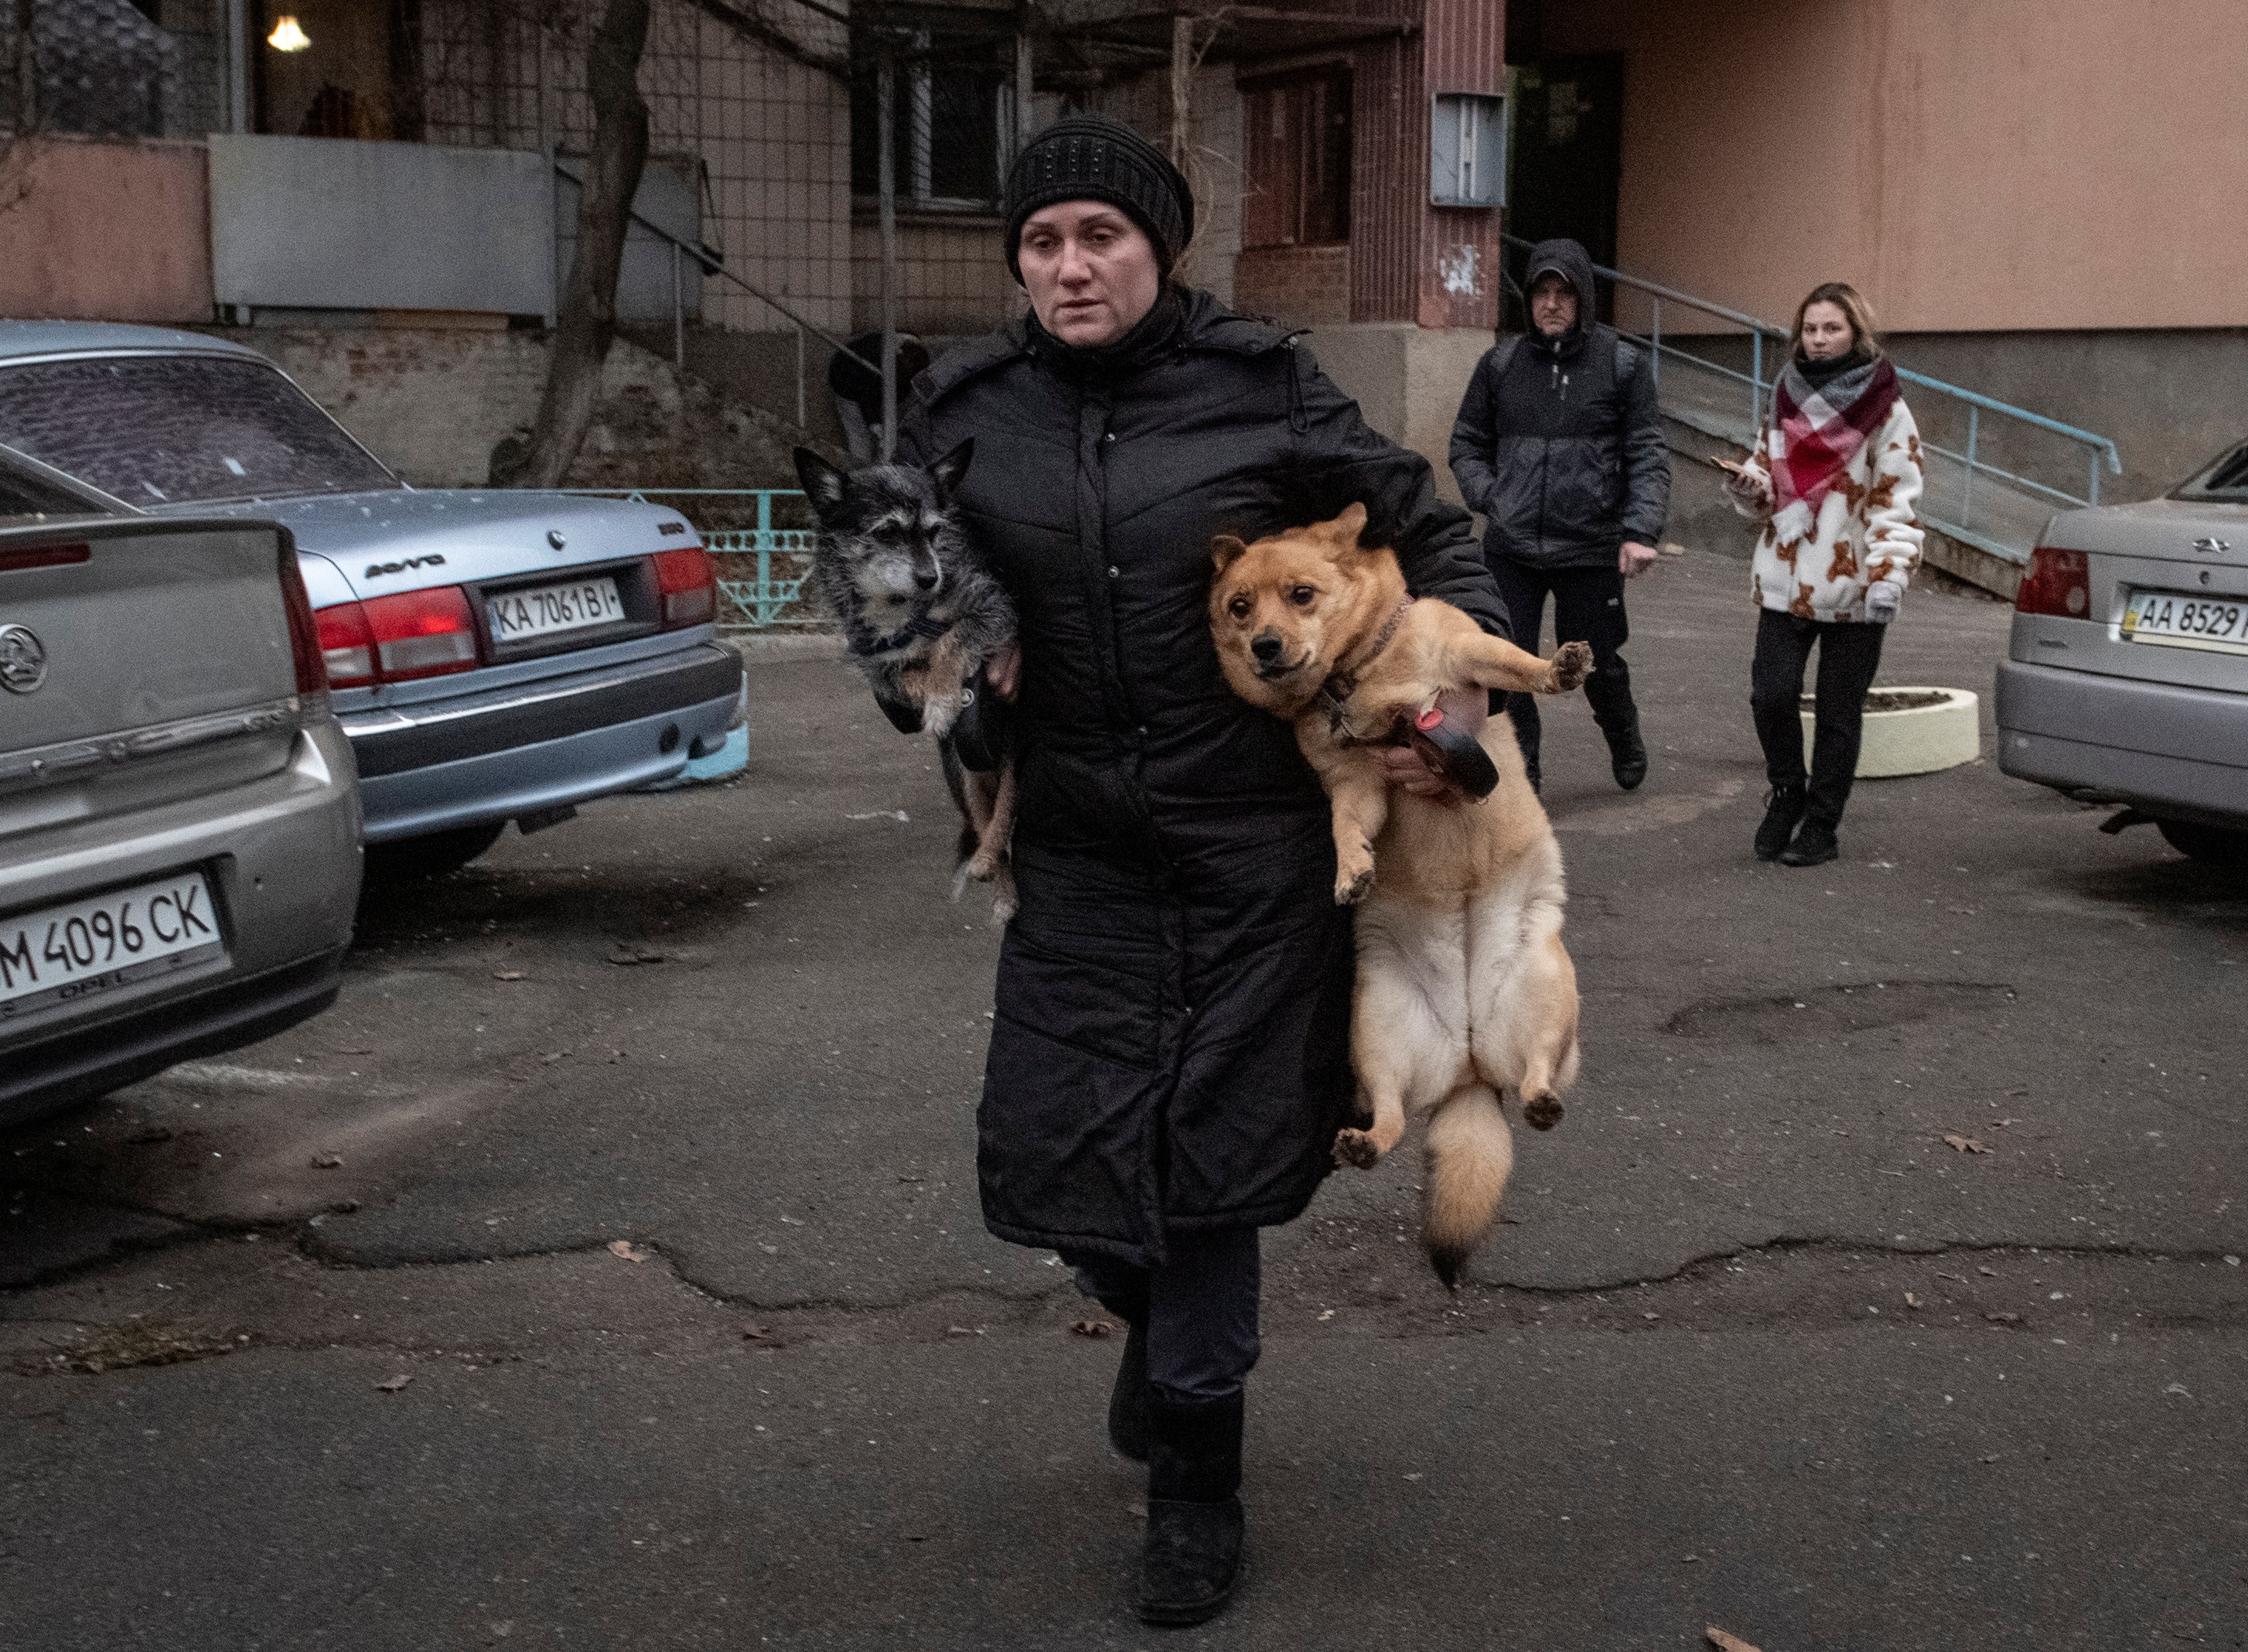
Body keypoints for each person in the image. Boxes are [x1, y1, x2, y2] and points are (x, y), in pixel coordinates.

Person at [892, 111, 1510, 1626]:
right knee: (1064, 1165)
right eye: (1041, 241)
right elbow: (909, 616)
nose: (1069, 266)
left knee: (1210, 1184)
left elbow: (1432, 538)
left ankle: (1195, 1486)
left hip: (1253, 860)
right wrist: (960, 696)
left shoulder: (1261, 387)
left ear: (1157, 248)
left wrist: (1451, 714)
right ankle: (1148, 1326)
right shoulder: (965, 410)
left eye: (1099, 236)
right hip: (1078, 860)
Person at [1448, 237, 1670, 794]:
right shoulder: (1500, 364)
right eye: (1541, 292)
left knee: (1596, 661)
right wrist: (1492, 495)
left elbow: (1647, 454)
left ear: (1583, 299)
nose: (1550, 304)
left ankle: (1621, 730)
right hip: (1512, 546)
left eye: (1563, 293)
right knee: (1512, 664)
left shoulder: (1621, 365)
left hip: (1589, 546)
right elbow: (1466, 443)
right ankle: (1526, 776)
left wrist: (1640, 530)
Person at [1724, 281, 1925, 867]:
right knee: (1770, 696)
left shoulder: (1886, 407)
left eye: (1831, 328)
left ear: (1855, 333)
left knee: (1839, 714)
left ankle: (1821, 824)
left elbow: (1896, 498)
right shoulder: (1784, 395)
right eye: (1809, 329)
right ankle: (1787, 793)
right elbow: (1769, 475)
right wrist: (1750, 487)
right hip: (1784, 575)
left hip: (1855, 583)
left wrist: (1888, 573)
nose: (1818, 339)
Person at [828, 329, 931, 460]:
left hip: (872, 378)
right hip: (846, 381)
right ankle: (860, 466)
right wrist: (877, 427)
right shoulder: (873, 364)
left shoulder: (911, 350)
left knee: (888, 433)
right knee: (860, 437)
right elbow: (868, 399)